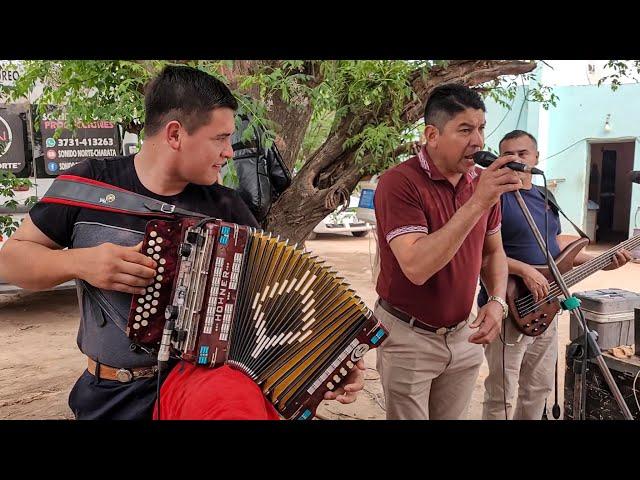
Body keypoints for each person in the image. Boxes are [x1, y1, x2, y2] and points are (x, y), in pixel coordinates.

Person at [0, 65, 364, 420]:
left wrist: (332, 362)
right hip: (108, 396)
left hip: (196, 391)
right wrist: (79, 263)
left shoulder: (228, 209)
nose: (229, 152)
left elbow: (272, 308)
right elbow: (11, 261)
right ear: (175, 135)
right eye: (220, 138)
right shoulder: (89, 185)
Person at [373, 83, 523, 420]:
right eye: (465, 130)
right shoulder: (399, 183)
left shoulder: (480, 182)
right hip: (408, 336)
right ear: (432, 135)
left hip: (462, 335)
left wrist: (497, 301)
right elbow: (416, 266)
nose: (479, 142)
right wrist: (478, 202)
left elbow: (492, 253)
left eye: (482, 128)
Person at [479, 129, 632, 420]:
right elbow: (477, 253)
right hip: (510, 308)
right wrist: (523, 270)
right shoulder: (493, 198)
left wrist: (602, 261)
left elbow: (557, 246)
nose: (514, 159)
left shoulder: (545, 196)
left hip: (546, 308)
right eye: (507, 154)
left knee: (537, 390)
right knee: (501, 394)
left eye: (522, 154)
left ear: (535, 158)